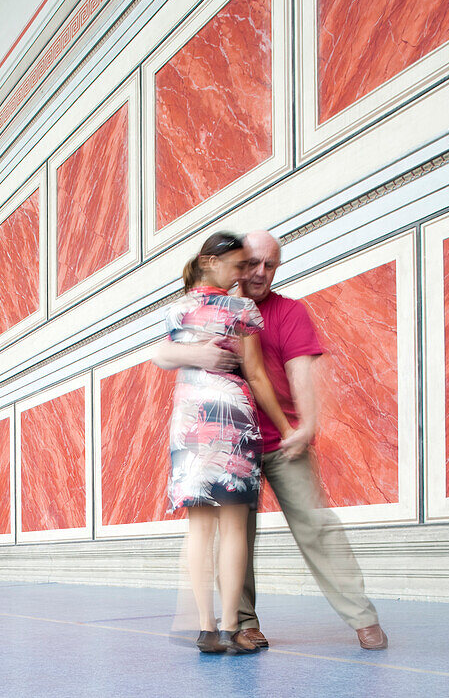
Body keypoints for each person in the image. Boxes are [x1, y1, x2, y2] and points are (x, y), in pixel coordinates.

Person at [160, 230, 388, 651]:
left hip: (281, 443)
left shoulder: (287, 312)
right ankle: (241, 624)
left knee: (315, 526)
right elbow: (164, 353)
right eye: (251, 264)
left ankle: (363, 618)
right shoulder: (225, 307)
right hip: (230, 442)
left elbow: (301, 372)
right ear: (236, 265)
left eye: (270, 265)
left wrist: (303, 427)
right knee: (236, 538)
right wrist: (197, 356)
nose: (259, 272)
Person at [153, 231, 307, 655]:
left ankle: (205, 630)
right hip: (232, 423)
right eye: (238, 265)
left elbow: (164, 356)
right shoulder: (242, 308)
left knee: (199, 529)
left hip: (188, 424)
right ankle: (229, 628)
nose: (243, 274)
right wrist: (285, 425)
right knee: (234, 528)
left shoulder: (176, 310)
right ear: (209, 263)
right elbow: (256, 376)